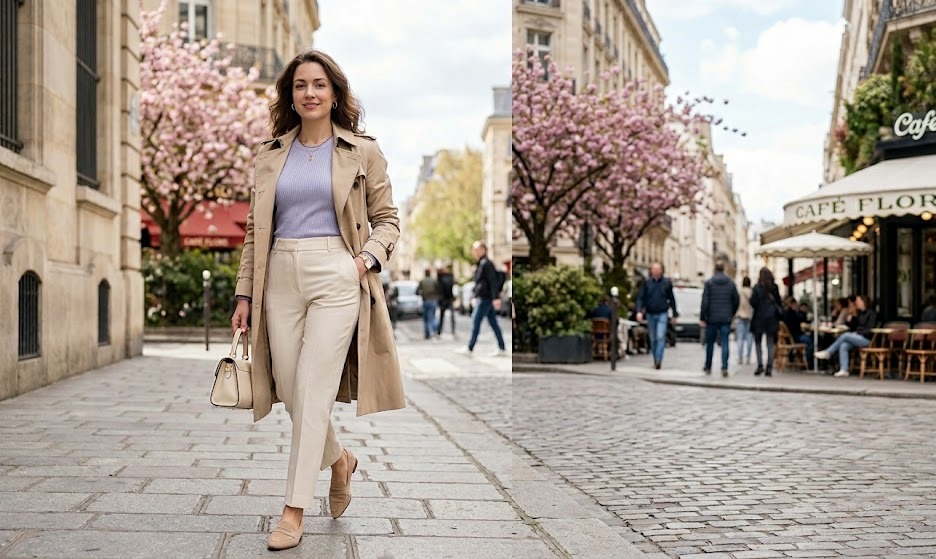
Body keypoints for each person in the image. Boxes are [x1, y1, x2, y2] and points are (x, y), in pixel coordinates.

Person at [230, 49, 405, 552]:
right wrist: (244, 292)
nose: (310, 93)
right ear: (290, 95)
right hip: (278, 275)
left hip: (337, 274)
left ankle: (293, 510)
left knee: (312, 387)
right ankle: (340, 460)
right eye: (301, 85)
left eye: (319, 84)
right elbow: (255, 230)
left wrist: (361, 263)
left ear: (334, 93)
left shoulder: (362, 151)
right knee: (290, 387)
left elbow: (388, 220)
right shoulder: (270, 154)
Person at [455, 241, 506, 357]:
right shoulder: (481, 263)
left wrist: (496, 297)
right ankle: (502, 347)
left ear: (483, 250)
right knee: (493, 323)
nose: (474, 252)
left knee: (476, 321)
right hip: (484, 297)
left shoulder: (486, 264)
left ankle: (470, 347)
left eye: (476, 249)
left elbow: (492, 281)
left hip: (485, 298)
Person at [815, 294, 877, 377]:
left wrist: (858, 333)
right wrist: (850, 320)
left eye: (858, 301)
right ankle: (844, 369)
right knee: (844, 345)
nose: (856, 303)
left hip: (866, 339)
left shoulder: (871, 314)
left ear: (863, 302)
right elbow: (853, 327)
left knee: (845, 335)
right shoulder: (859, 313)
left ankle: (829, 352)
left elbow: (869, 329)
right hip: (856, 338)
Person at [635, 262, 678, 369]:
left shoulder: (666, 283)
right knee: (653, 338)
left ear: (661, 270)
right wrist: (639, 311)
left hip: (662, 312)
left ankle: (658, 359)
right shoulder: (647, 282)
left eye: (657, 269)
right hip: (650, 313)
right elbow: (641, 297)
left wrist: (674, 314)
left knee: (660, 336)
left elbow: (671, 299)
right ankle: (655, 359)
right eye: (654, 269)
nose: (655, 271)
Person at [700, 261, 740, 377]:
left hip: (711, 318)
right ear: (724, 269)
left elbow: (705, 301)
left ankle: (708, 366)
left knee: (710, 343)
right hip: (725, 318)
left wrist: (703, 317)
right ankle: (724, 367)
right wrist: (731, 313)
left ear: (715, 269)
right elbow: (736, 300)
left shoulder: (709, 283)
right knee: (725, 342)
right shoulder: (730, 283)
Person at [749, 267, 782, 376]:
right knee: (770, 343)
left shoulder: (757, 287)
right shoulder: (774, 287)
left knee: (758, 343)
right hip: (771, 318)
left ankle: (760, 365)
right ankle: (769, 367)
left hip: (759, 318)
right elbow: (779, 302)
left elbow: (753, 302)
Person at [782, 296, 814, 366]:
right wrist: (802, 312)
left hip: (790, 337)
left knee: (810, 338)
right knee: (810, 341)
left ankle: (803, 359)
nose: (797, 305)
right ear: (792, 304)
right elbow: (800, 320)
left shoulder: (785, 313)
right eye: (796, 304)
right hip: (795, 337)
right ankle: (808, 362)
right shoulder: (792, 314)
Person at [416, 268, 440, 340]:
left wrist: (422, 293)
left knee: (426, 318)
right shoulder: (434, 281)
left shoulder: (422, 281)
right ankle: (435, 332)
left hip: (426, 300)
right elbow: (438, 290)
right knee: (433, 317)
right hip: (433, 300)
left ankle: (427, 334)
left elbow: (417, 291)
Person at [735, 276, 754, 365]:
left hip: (741, 315)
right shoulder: (752, 292)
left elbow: (737, 303)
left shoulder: (740, 292)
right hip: (750, 316)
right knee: (749, 337)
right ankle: (748, 357)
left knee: (740, 338)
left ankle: (740, 357)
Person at [436, 266, 457, 337]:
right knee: (452, 316)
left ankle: (439, 332)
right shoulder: (450, 277)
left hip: (443, 300)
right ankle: (453, 331)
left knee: (442, 317)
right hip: (449, 299)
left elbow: (439, 290)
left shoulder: (440, 279)